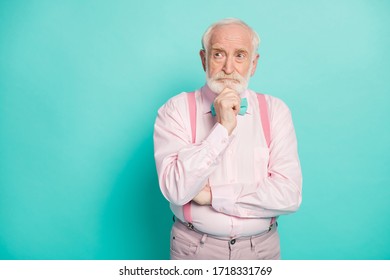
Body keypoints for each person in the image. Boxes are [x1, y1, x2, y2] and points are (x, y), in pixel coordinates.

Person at [153, 18, 302, 260]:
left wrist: (213, 196)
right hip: (195, 249)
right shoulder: (175, 110)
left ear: (253, 64)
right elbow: (177, 190)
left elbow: (288, 195)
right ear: (204, 59)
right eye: (219, 54)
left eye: (240, 56)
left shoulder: (276, 111)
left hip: (261, 250)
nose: (229, 68)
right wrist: (222, 129)